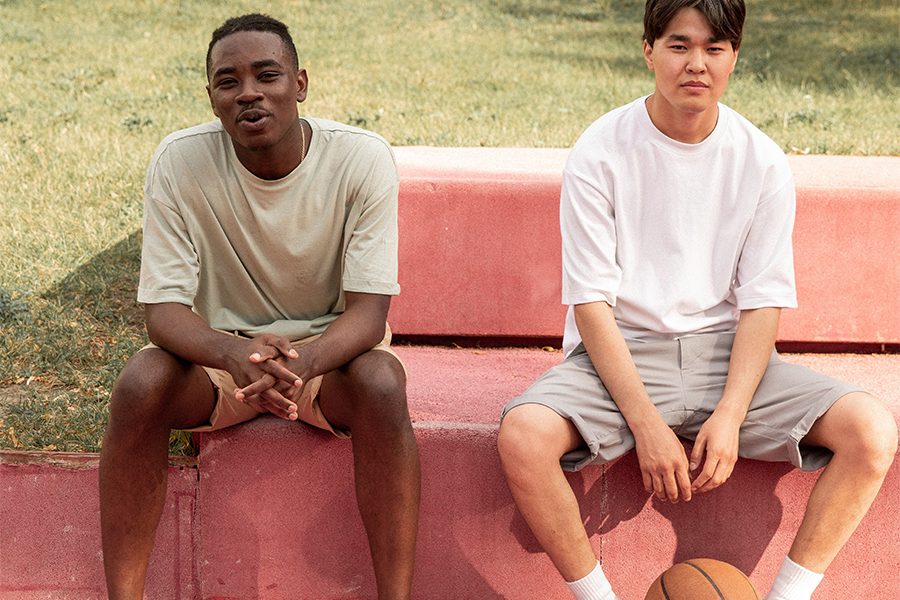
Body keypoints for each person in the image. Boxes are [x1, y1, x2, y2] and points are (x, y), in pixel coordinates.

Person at [496, 1, 897, 599]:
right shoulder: (600, 152)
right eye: (679, 45)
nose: (697, 64)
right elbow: (591, 304)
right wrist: (647, 424)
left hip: (725, 358)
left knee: (871, 430)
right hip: (620, 358)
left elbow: (763, 303)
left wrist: (731, 414)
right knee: (522, 436)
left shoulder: (760, 161)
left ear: (734, 56)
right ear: (648, 50)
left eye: (714, 48)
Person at [99, 14, 420, 600]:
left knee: (383, 380)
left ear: (299, 84)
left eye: (265, 75)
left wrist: (305, 360)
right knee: (141, 381)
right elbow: (164, 314)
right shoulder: (179, 161)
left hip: (328, 363)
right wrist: (234, 352)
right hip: (220, 361)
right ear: (213, 99)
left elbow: (370, 315)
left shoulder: (362, 159)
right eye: (228, 81)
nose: (247, 91)